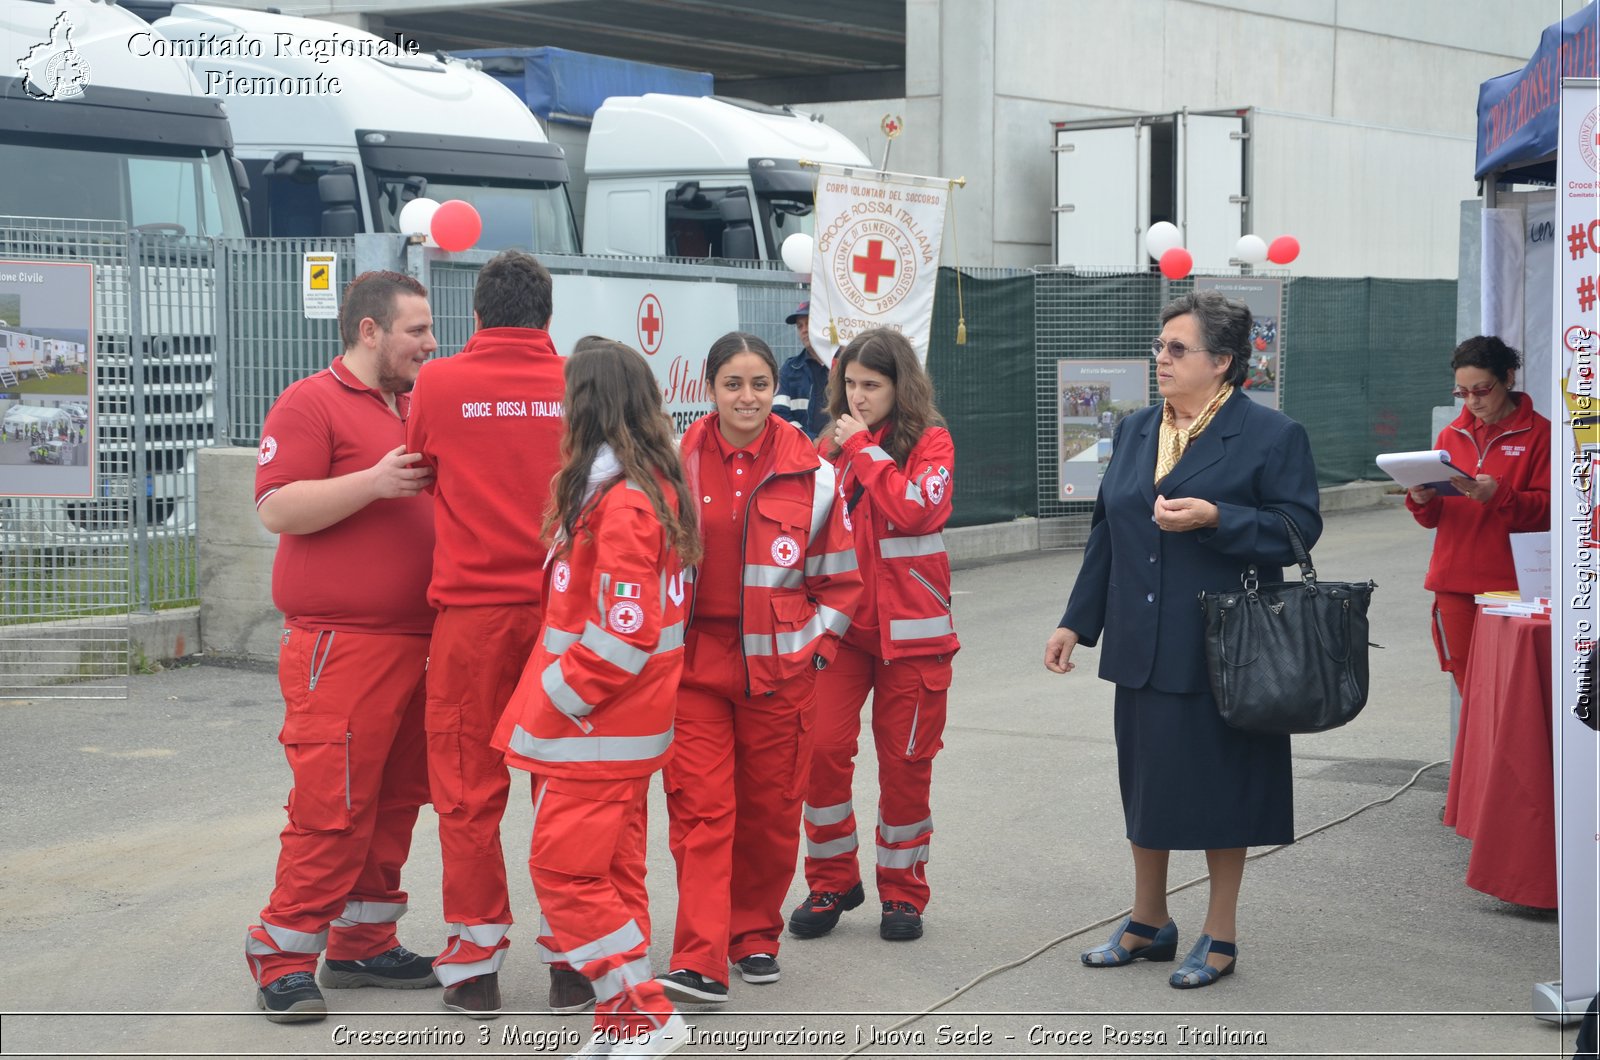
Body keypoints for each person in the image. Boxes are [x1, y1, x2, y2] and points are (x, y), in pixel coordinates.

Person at [1043, 290, 1322, 989]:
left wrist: (1216, 519)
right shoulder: (1138, 428)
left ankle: (1219, 934)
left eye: (1177, 349)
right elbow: (1111, 529)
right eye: (1160, 347)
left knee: (1224, 791)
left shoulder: (1271, 435)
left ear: (1223, 362)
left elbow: (1298, 530)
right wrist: (1077, 621)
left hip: (1228, 644)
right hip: (1140, 640)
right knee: (1146, 785)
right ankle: (1148, 922)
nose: (1160, 358)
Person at [491, 339, 698, 1058]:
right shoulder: (637, 488)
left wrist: (557, 695)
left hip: (595, 729)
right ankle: (623, 1026)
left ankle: (648, 1013)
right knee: (612, 876)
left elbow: (623, 634)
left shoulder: (622, 501)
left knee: (562, 873)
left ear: (587, 407)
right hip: (615, 728)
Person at [244, 270, 441, 1022]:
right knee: (334, 805)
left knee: (396, 800)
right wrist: (372, 482)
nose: (430, 343)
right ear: (369, 330)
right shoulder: (309, 401)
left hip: (420, 641)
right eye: (416, 330)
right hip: (343, 646)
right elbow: (276, 507)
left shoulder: (417, 404)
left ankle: (363, 941)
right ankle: (282, 954)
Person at [655, 332, 861, 1004]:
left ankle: (755, 938)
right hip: (693, 674)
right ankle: (700, 956)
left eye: (760, 385)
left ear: (776, 389)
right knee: (701, 814)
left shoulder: (817, 473)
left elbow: (839, 582)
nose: (748, 398)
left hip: (781, 675)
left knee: (771, 814)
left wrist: (816, 653)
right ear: (709, 390)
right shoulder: (672, 463)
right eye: (733, 385)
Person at [404, 250, 568, 1018]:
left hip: (471, 619)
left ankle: (474, 966)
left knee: (468, 789)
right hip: (564, 611)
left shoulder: (437, 383)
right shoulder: (578, 380)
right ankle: (575, 958)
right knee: (566, 787)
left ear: (475, 316)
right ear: (547, 318)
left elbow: (425, 468)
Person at [790, 328, 959, 944]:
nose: (858, 398)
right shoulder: (828, 446)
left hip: (914, 638)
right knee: (820, 754)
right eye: (851, 385)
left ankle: (902, 893)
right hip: (841, 634)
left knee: (906, 767)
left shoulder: (931, 441)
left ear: (899, 386)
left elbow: (918, 510)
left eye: (872, 386)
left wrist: (861, 447)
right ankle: (832, 879)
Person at [1405, 335, 1550, 693]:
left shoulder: (1542, 435)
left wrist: (1499, 496)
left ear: (1509, 378)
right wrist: (1421, 500)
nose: (1472, 401)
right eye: (1462, 393)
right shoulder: (1450, 435)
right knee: (1470, 687)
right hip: (1454, 584)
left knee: (1515, 692)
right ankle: (1474, 753)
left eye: (1482, 390)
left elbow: (1551, 513)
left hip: (1514, 587)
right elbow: (1434, 518)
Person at [773, 302, 832, 439]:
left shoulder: (845, 365)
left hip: (842, 450)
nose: (804, 330)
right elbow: (779, 414)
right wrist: (810, 440)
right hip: (804, 452)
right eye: (800, 326)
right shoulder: (790, 369)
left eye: (809, 323)